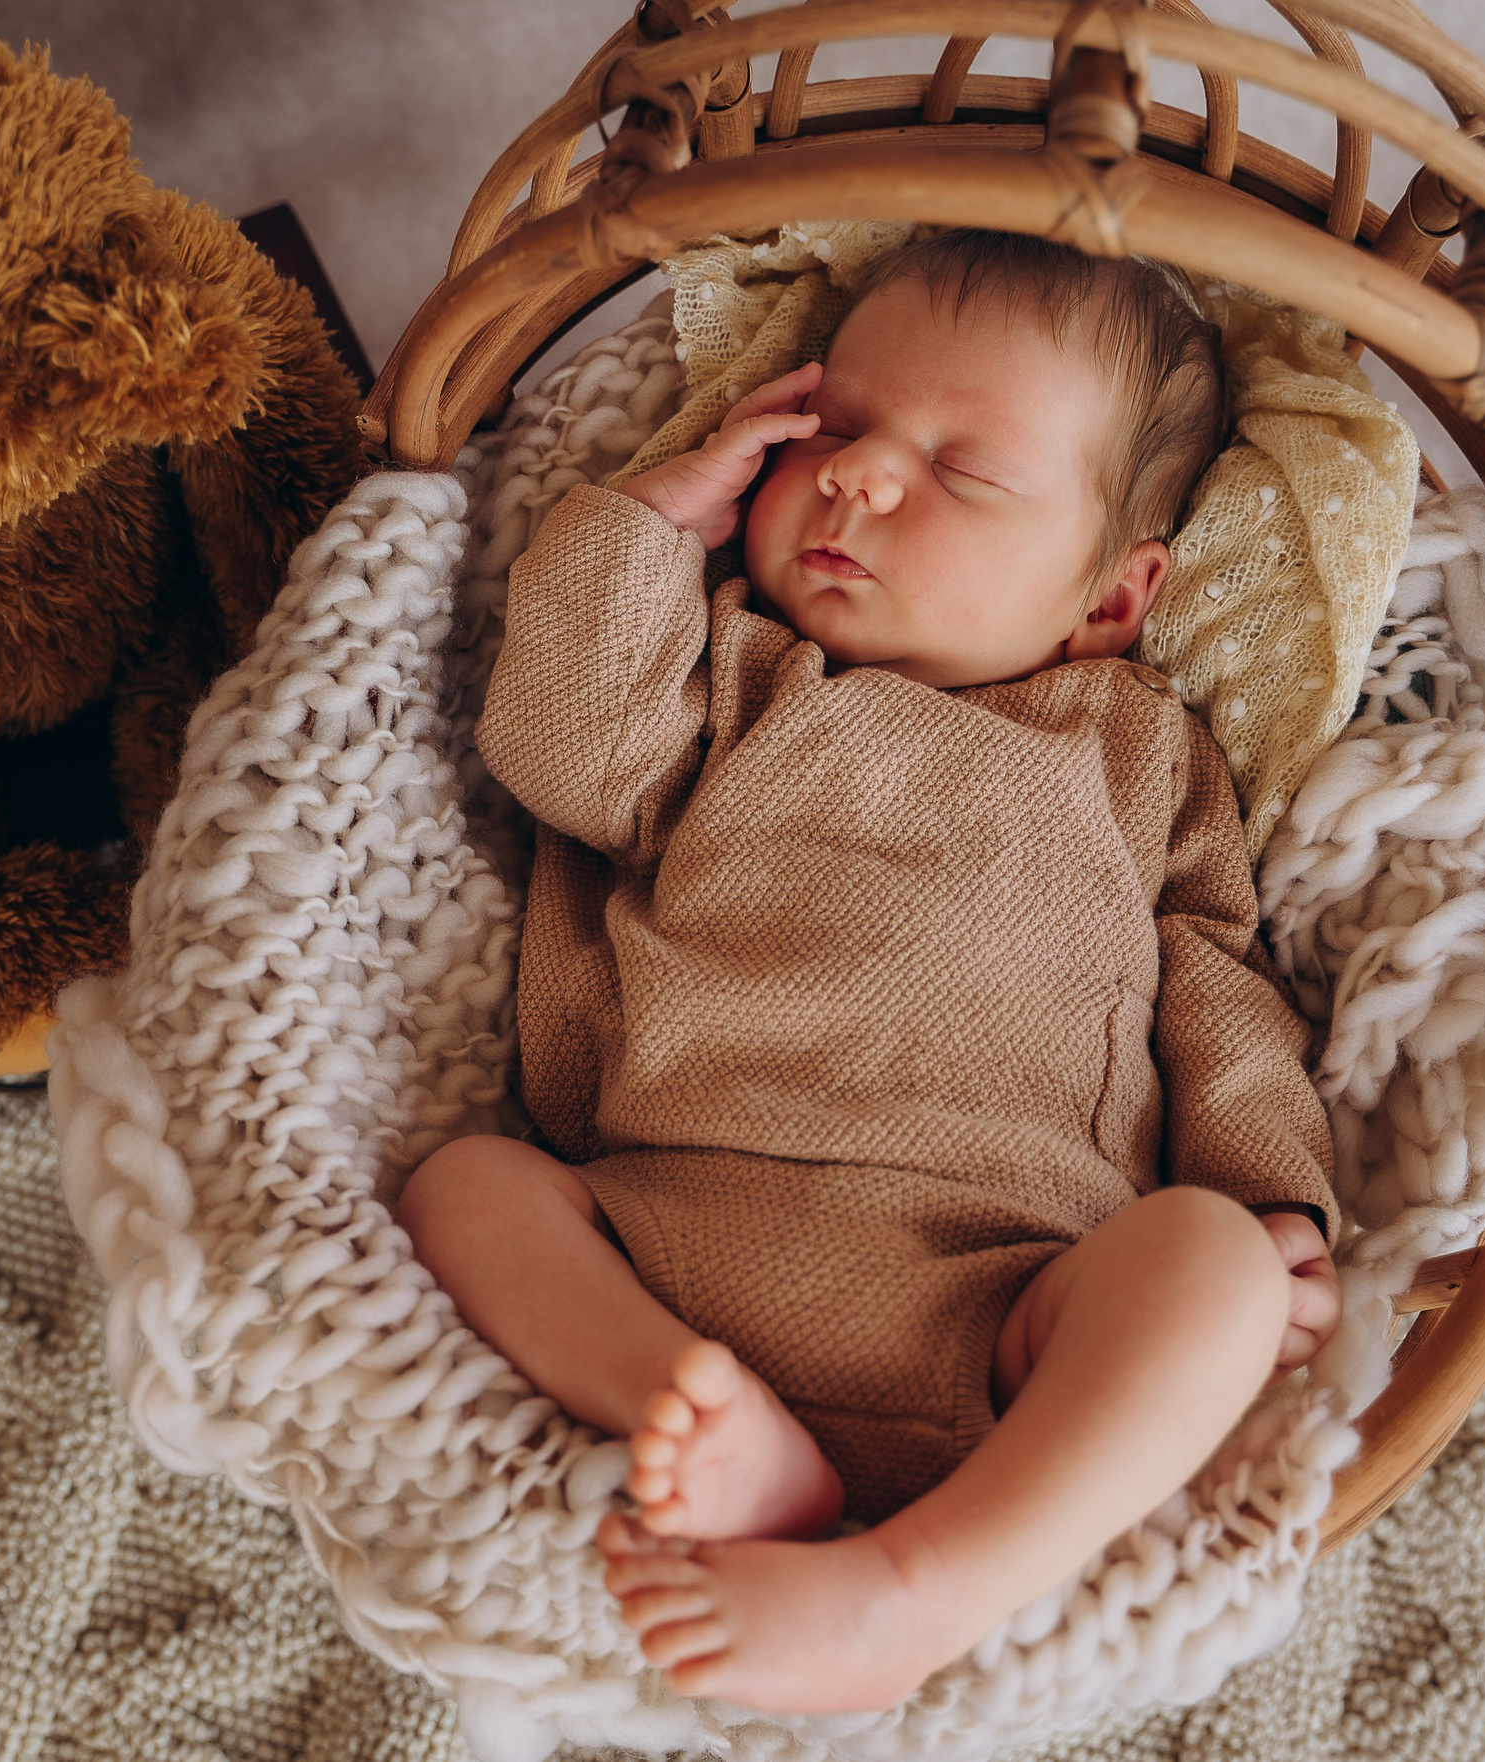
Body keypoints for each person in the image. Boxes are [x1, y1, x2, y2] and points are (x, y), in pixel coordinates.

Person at [392, 229, 1343, 1714]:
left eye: (964, 471)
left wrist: (1274, 1192)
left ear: (1110, 597)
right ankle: (702, 1425)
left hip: (1011, 1291)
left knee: (1210, 1271)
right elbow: (560, 753)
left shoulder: (1141, 753)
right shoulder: (728, 675)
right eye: (831, 429)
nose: (857, 476)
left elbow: (1220, 988)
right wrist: (653, 520)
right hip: (673, 1235)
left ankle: (919, 1583)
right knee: (465, 1189)